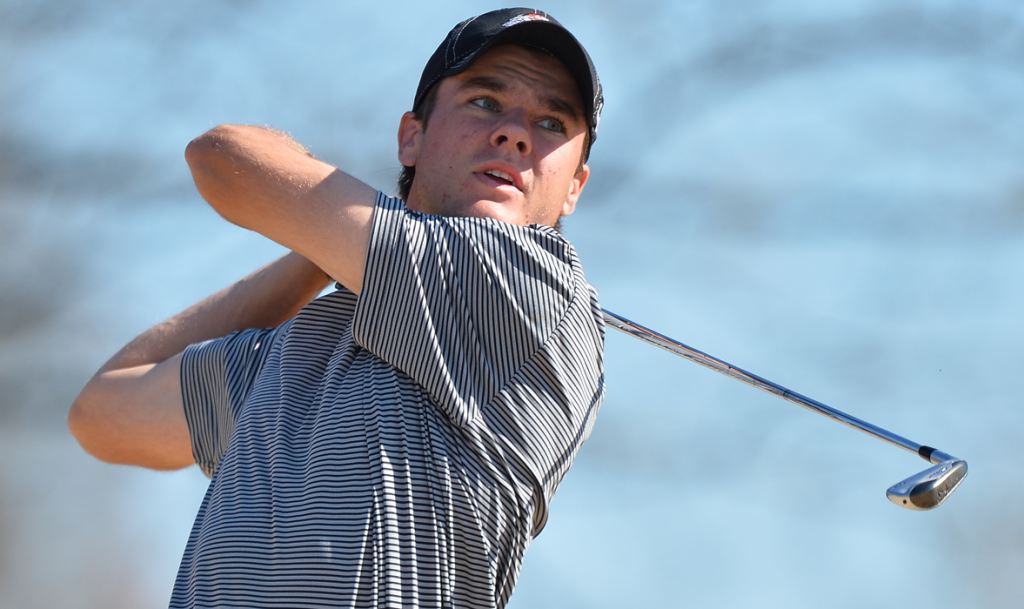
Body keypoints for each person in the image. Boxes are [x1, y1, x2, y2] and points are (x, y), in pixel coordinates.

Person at [68, 8, 605, 609]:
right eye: (484, 101)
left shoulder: (528, 288)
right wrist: (319, 253)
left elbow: (224, 159)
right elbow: (105, 413)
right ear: (412, 137)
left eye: (552, 121)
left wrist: (329, 233)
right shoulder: (305, 351)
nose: (514, 133)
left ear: (575, 186)